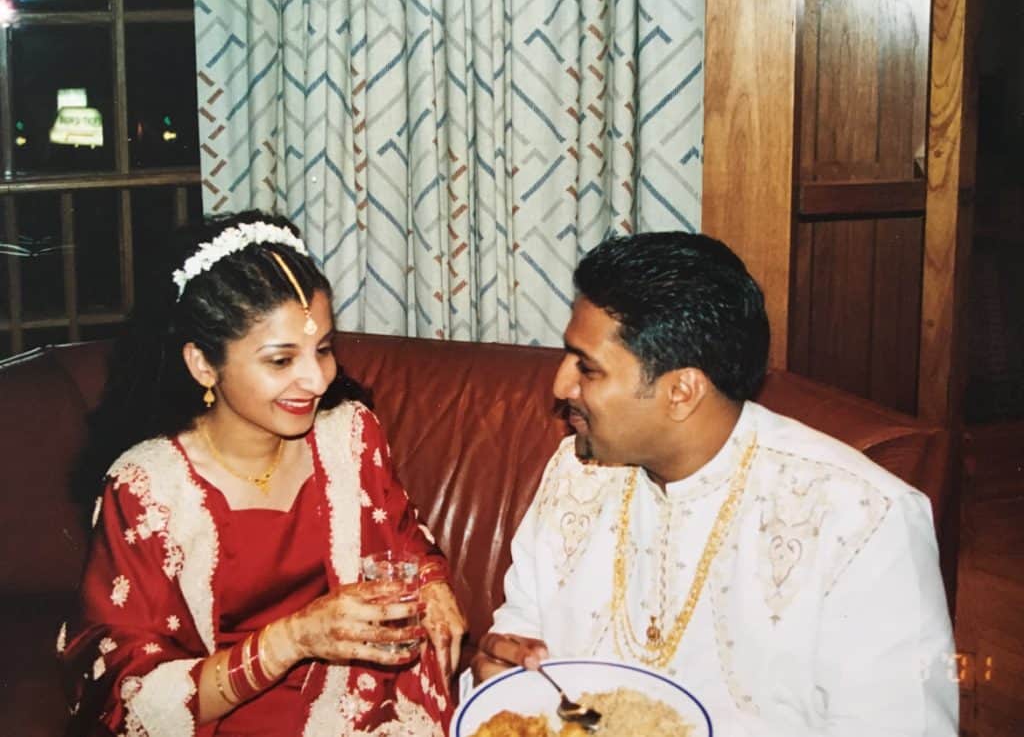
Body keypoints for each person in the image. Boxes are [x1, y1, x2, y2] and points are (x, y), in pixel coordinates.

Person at [471, 233, 957, 736]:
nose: (560, 386)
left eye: (587, 368)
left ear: (681, 391)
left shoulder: (862, 520)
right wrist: (504, 668)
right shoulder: (576, 470)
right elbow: (524, 624)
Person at [60, 211, 465, 737]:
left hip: (359, 701)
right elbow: (124, 695)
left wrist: (433, 586)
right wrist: (292, 639)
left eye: (322, 350)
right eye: (280, 360)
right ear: (204, 364)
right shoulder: (148, 490)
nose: (317, 380)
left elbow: (402, 542)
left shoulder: (347, 436)